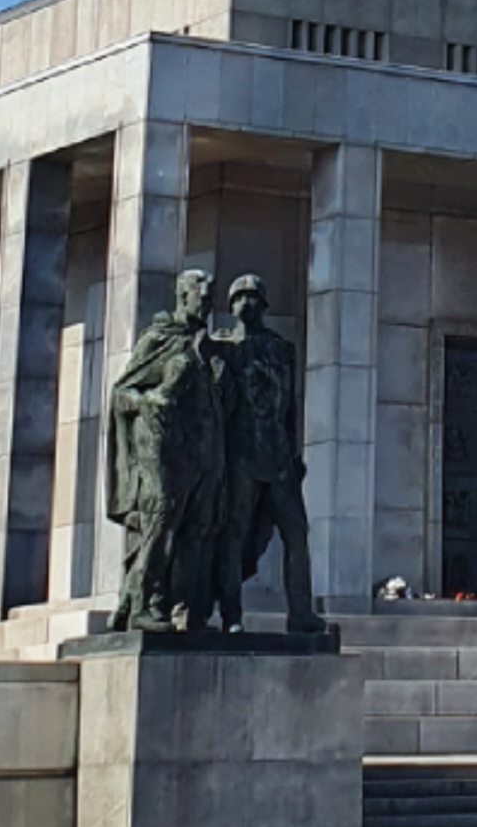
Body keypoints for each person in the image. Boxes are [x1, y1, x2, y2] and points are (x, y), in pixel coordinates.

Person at [104, 267, 224, 634]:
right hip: (164, 449)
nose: (206, 307)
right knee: (160, 521)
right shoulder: (159, 339)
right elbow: (122, 393)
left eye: (210, 301)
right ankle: (143, 604)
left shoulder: (209, 345)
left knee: (198, 529)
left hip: (203, 450)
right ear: (183, 296)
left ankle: (187, 609)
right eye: (201, 299)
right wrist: (148, 401)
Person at [216, 271, 319, 639]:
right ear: (231, 306)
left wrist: (294, 452)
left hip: (278, 457)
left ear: (263, 305)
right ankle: (231, 616)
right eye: (240, 298)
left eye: (253, 298)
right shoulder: (222, 348)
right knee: (233, 534)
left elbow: (289, 406)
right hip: (241, 456)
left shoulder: (280, 349)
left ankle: (301, 613)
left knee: (297, 533)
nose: (247, 303)